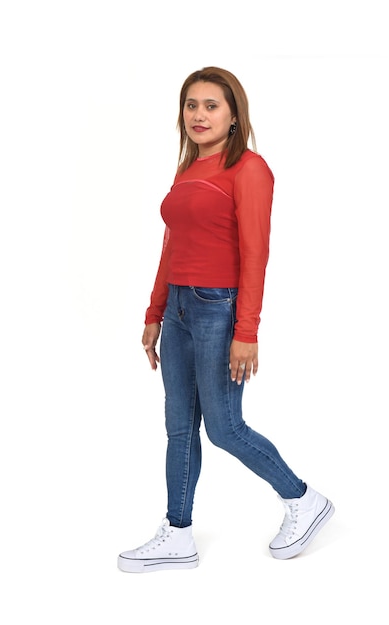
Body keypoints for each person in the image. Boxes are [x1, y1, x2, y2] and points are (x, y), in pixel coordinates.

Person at [117, 66, 334, 573]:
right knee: (178, 427)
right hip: (179, 308)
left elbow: (256, 253)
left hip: (220, 307)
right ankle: (178, 532)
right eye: (191, 105)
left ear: (234, 115)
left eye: (211, 105)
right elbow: (172, 246)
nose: (199, 115)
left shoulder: (249, 169)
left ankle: (303, 500)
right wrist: (155, 312)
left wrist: (247, 331)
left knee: (224, 427)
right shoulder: (186, 171)